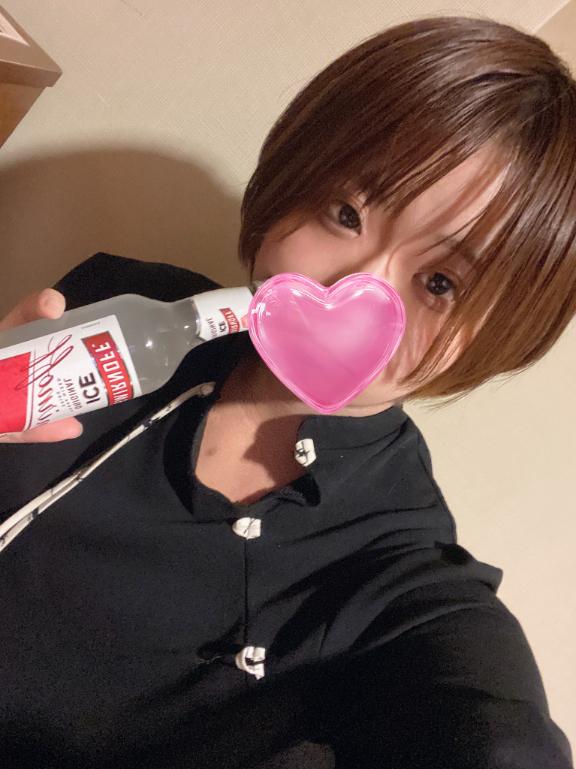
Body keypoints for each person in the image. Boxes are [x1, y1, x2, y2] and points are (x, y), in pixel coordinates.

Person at [0, 14, 574, 769]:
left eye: (440, 283)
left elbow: (491, 730)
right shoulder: (124, 301)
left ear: (504, 334)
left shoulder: (398, 568)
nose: (351, 291)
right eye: (347, 214)